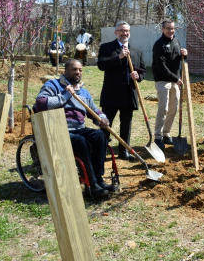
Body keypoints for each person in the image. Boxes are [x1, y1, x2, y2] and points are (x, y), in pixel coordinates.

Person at [34, 58, 113, 198]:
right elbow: (40, 104)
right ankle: (92, 184)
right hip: (58, 130)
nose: (78, 72)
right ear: (65, 71)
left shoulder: (84, 92)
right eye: (74, 69)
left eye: (80, 70)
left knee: (100, 136)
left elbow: (94, 111)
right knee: (80, 142)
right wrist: (65, 95)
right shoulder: (53, 85)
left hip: (79, 129)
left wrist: (102, 118)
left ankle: (99, 178)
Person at [97, 21, 146, 161]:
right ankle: (102, 148)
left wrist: (139, 76)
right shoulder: (107, 48)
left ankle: (124, 151)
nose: (125, 33)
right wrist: (118, 57)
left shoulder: (136, 51)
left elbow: (142, 70)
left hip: (128, 93)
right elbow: (101, 65)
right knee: (106, 123)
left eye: (127, 31)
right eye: (121, 31)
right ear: (116, 32)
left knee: (126, 123)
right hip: (111, 93)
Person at [152, 19, 187, 150]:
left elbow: (178, 59)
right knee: (164, 109)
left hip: (175, 81)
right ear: (163, 29)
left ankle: (166, 133)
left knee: (174, 108)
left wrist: (184, 54)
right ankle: (157, 136)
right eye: (168, 28)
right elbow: (161, 66)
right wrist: (175, 78)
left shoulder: (176, 41)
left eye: (172, 28)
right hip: (162, 80)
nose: (171, 31)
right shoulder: (159, 44)